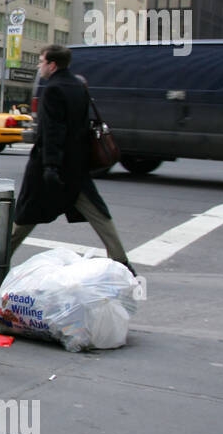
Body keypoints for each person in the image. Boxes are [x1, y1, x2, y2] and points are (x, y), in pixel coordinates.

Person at [10, 45, 135, 274]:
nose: (40, 66)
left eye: (41, 62)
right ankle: (121, 260)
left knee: (26, 215)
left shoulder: (53, 89)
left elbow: (52, 131)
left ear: (52, 64)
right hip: (76, 167)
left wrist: (50, 166)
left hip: (50, 168)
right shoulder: (79, 85)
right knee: (98, 213)